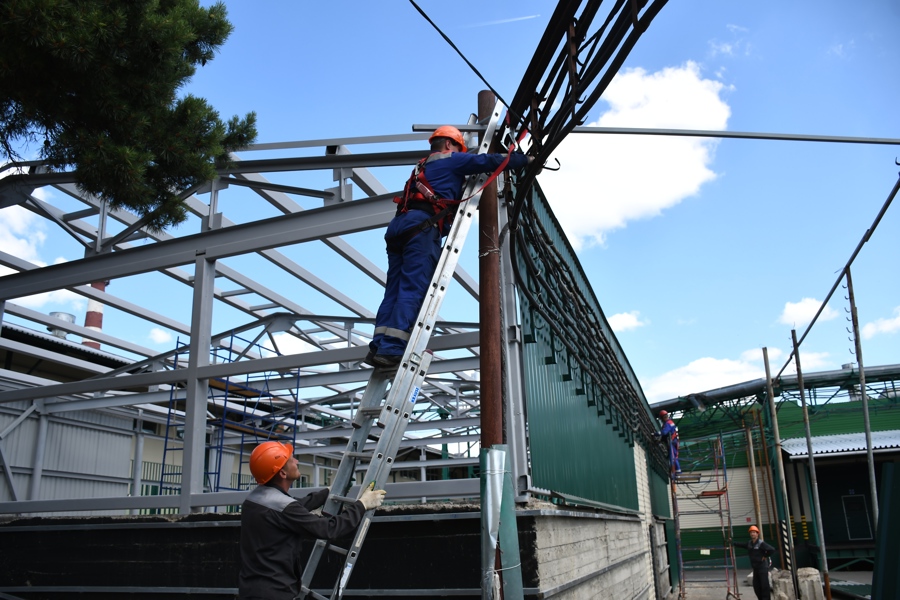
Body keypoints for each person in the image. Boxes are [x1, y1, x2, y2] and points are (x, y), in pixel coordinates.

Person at [365, 125, 532, 368]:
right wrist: (526, 160)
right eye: (457, 147)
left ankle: (378, 345)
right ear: (448, 144)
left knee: (394, 290)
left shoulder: (421, 166)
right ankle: (392, 348)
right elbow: (489, 160)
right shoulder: (451, 160)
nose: (458, 152)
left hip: (399, 228)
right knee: (413, 288)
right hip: (421, 228)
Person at [238, 441, 387, 600]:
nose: (296, 461)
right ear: (282, 473)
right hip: (275, 592)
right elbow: (330, 529)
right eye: (291, 460)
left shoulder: (254, 500)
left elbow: (297, 506)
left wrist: (328, 492)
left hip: (251, 589)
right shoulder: (284, 507)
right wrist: (362, 505)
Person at [734, 525, 776, 600]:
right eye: (751, 532)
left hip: (762, 568)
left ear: (757, 534)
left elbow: (772, 549)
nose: (752, 534)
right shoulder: (750, 543)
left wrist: (765, 556)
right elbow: (742, 545)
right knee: (756, 587)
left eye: (754, 532)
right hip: (755, 569)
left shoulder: (761, 543)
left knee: (764, 586)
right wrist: (733, 543)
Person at [656, 409, 681, 474]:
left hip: (672, 441)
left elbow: (664, 432)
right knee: (674, 456)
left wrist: (656, 433)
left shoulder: (668, 423)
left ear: (663, 418)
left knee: (672, 456)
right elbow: (664, 436)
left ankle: (677, 471)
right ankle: (677, 471)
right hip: (674, 441)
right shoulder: (670, 422)